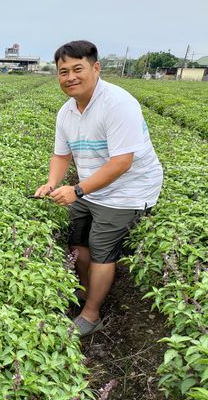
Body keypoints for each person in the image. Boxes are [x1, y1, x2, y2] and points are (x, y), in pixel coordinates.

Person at [34, 40, 163, 337]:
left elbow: (121, 163)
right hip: (93, 186)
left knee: (102, 248)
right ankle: (84, 289)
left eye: (77, 69)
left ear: (96, 68)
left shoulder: (118, 104)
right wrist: (53, 183)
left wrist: (77, 191)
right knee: (77, 235)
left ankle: (91, 315)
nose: (70, 77)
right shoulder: (66, 112)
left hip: (128, 190)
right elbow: (61, 155)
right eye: (63, 71)